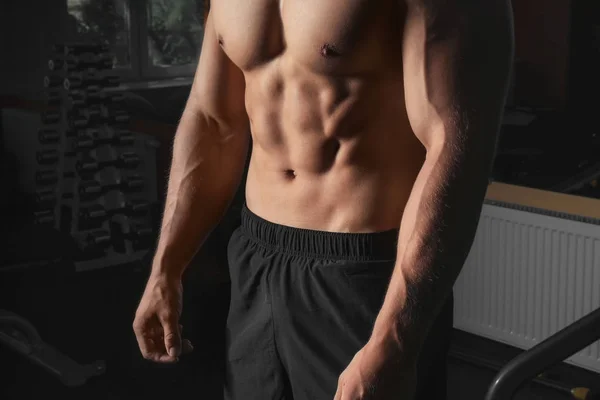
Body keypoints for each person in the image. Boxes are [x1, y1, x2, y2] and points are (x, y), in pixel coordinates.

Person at [133, 0, 514, 398]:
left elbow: (455, 150)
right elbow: (214, 122)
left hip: (362, 274)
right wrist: (167, 267)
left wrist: (395, 339)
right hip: (255, 258)